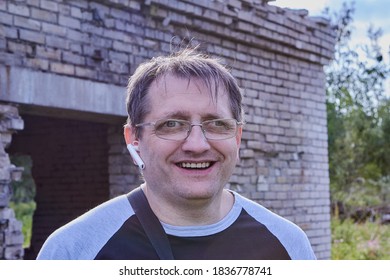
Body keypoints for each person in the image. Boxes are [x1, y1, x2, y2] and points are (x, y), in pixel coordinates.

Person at [37, 47, 316, 260]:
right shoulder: (73, 251)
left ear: (237, 137)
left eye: (217, 124)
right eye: (171, 124)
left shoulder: (289, 246)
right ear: (134, 138)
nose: (197, 145)